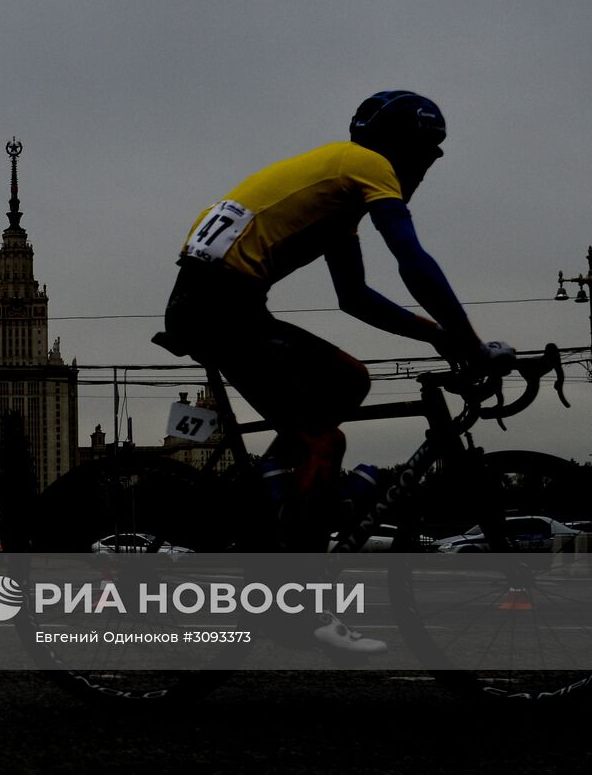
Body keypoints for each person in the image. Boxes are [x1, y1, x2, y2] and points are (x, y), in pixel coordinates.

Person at [160, 89, 510, 653]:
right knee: (324, 441)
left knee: (350, 381)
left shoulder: (338, 198)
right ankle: (297, 609)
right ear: (397, 146)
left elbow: (355, 299)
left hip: (221, 300)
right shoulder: (366, 164)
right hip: (219, 305)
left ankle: (279, 488)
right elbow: (413, 263)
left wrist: (440, 337)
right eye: (427, 152)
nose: (432, 164)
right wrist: (472, 343)